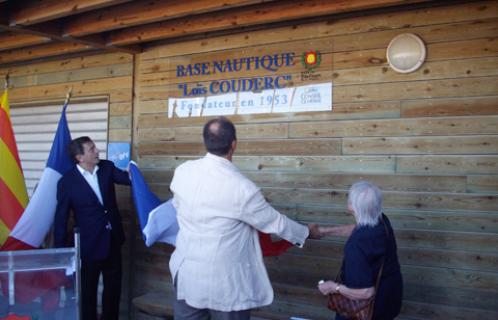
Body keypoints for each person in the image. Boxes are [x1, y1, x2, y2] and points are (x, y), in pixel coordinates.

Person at [169, 117, 321, 320]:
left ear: (205, 141)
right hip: (225, 284)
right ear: (234, 144)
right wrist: (307, 232)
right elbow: (276, 223)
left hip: (187, 274)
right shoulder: (242, 188)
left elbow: (178, 206)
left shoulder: (182, 172)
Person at [54, 136, 130, 320]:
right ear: (80, 157)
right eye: (91, 149)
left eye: (95, 147)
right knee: (87, 294)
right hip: (87, 247)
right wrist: (61, 254)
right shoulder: (67, 182)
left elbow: (128, 180)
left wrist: (133, 170)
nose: (97, 151)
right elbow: (61, 218)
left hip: (112, 240)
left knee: (113, 291)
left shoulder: (107, 167)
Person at [317, 181, 402, 320]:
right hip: (391, 297)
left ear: (352, 207)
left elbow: (366, 292)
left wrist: (333, 287)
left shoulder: (357, 245)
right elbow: (359, 228)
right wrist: (324, 231)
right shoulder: (381, 220)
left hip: (369, 310)